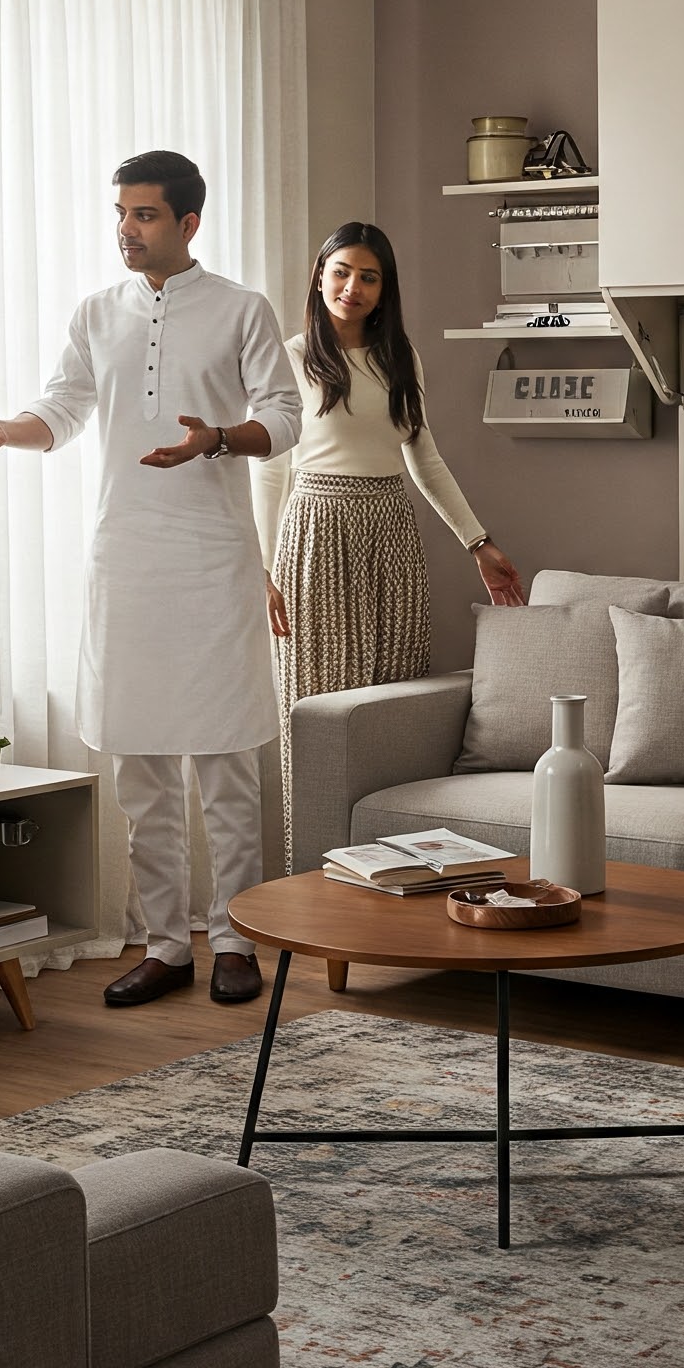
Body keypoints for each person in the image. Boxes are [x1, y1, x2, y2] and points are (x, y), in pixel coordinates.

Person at [0, 150, 301, 1009]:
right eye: (122, 214)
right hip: (124, 562)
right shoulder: (98, 312)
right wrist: (2, 430)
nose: (126, 230)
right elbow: (60, 412)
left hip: (213, 561)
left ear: (189, 223)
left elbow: (283, 417)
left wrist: (216, 440)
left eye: (144, 215)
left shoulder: (242, 309)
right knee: (142, 773)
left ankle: (234, 940)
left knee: (226, 770)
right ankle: (168, 946)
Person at [270, 223, 522, 912]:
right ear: (320, 275)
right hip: (315, 531)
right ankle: (318, 892)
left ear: (386, 291)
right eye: (342, 272)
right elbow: (266, 475)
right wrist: (260, 570)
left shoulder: (398, 355)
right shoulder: (287, 358)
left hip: (390, 529)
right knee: (317, 706)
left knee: (393, 705)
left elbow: (424, 458)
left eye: (370, 277)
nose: (353, 288)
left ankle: (395, 886)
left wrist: (479, 543)